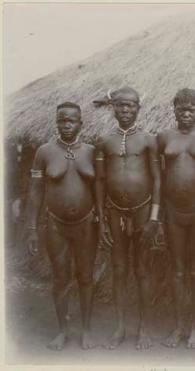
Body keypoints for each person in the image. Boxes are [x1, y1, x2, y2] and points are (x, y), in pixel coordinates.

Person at [26, 102, 97, 351]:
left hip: (87, 224)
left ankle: (86, 330)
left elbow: (102, 189)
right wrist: (32, 229)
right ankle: (62, 331)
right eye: (62, 121)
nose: (66, 125)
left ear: (81, 123)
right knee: (60, 278)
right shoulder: (44, 152)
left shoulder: (91, 151)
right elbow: (35, 193)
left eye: (72, 121)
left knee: (86, 277)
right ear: (56, 122)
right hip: (55, 224)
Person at [95, 87, 161, 350]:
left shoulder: (148, 140)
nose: (125, 110)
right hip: (114, 212)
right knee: (119, 270)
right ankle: (120, 327)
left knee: (142, 270)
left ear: (138, 109)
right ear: (113, 108)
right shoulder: (103, 141)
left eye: (131, 106)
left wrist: (154, 217)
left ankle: (143, 328)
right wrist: (101, 220)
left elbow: (157, 178)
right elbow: (99, 181)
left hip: (143, 210)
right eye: (121, 105)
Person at [157, 88, 195, 349]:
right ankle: (179, 326)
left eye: (191, 109)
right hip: (172, 212)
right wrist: (157, 218)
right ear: (174, 110)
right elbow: (158, 178)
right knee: (177, 270)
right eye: (181, 109)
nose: (186, 114)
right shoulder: (163, 138)